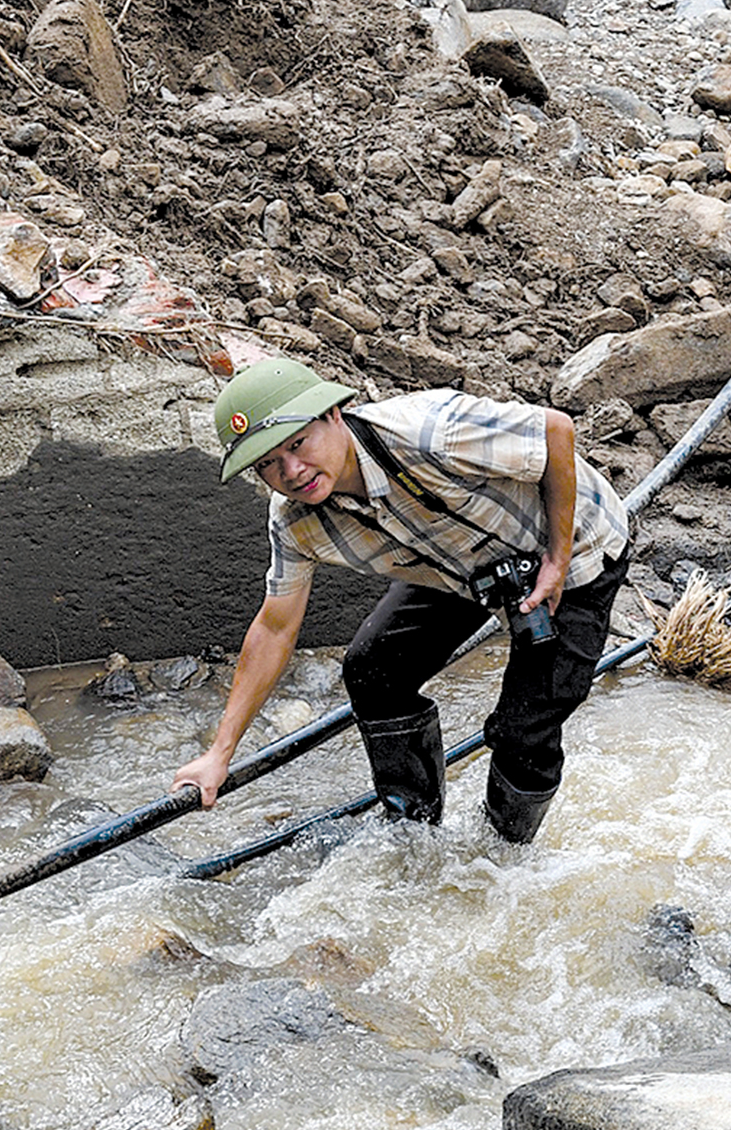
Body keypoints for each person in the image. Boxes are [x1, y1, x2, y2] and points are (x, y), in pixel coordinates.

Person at [170, 358, 631, 845]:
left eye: (297, 444)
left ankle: (502, 855)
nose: (292, 471)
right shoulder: (293, 522)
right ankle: (413, 830)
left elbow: (555, 432)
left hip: (576, 550)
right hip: (459, 565)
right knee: (374, 667)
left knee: (522, 733)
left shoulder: (429, 432)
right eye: (267, 464)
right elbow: (275, 628)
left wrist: (556, 560)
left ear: (334, 415)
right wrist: (219, 754)